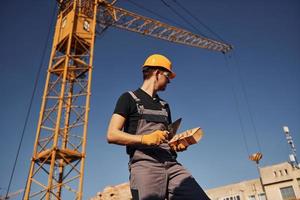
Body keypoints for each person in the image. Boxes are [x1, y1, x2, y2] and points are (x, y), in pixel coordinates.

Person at [106, 54, 211, 200]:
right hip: (145, 166)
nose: (169, 81)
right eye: (168, 76)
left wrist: (176, 145)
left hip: (172, 165)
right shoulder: (128, 98)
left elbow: (166, 140)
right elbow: (112, 134)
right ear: (157, 73)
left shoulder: (164, 106)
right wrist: (144, 139)